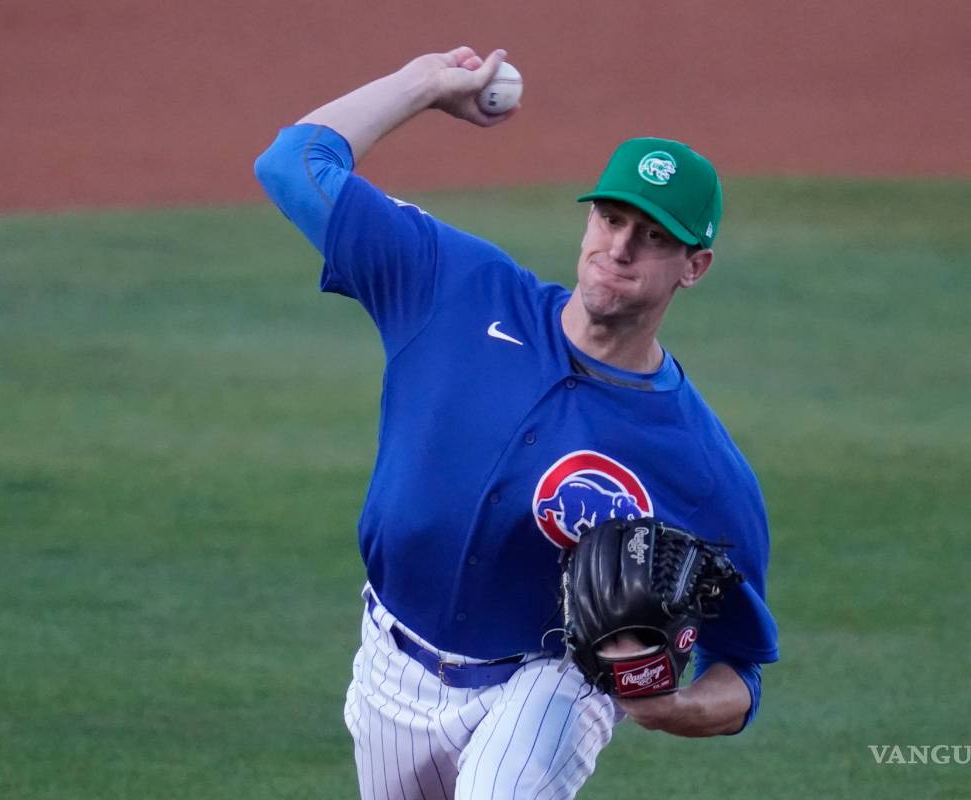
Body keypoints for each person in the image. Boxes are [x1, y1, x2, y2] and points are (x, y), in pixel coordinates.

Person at [254, 45, 779, 800]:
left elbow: (742, 666)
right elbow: (293, 164)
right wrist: (422, 85)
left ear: (693, 266)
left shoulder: (699, 463)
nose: (619, 247)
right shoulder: (454, 286)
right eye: (611, 217)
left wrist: (676, 708)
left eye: (654, 236)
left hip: (552, 682)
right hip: (390, 668)